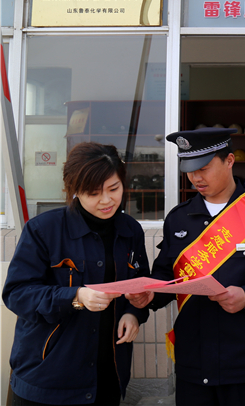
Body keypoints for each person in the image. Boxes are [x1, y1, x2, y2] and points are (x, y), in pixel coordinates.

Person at [126, 127, 245, 406]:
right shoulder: (179, 218)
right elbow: (167, 274)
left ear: (230, 161)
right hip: (193, 360)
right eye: (189, 169)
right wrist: (151, 295)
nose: (196, 177)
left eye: (204, 167)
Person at [2, 142, 150, 406]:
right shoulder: (44, 230)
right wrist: (76, 296)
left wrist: (134, 312)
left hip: (109, 373)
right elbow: (17, 294)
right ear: (74, 191)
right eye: (94, 193)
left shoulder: (130, 230)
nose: (107, 200)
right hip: (48, 377)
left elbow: (140, 284)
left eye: (114, 189)